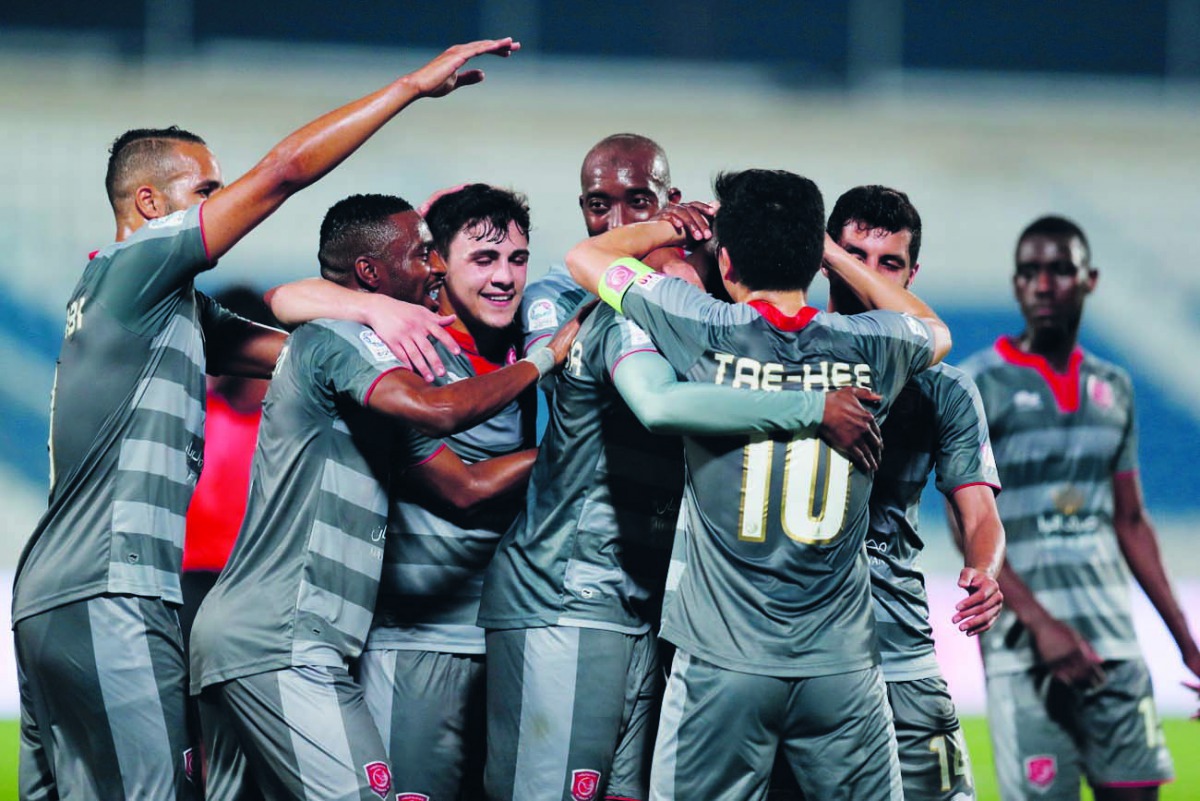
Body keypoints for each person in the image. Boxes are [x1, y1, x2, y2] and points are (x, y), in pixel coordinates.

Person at [15, 35, 521, 801]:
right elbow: (284, 174)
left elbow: (294, 343)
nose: (222, 203)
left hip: (56, 594)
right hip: (113, 588)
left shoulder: (153, 307)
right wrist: (411, 86)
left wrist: (360, 303)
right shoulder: (141, 263)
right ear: (149, 204)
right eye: (205, 191)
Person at [565, 169, 952, 801]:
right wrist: (821, 248)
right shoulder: (876, 344)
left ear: (725, 258)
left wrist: (676, 221)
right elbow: (934, 329)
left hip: (722, 659)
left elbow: (586, 256)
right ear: (813, 257)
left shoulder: (699, 322)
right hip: (842, 668)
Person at [189, 192, 579, 801]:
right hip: (305, 634)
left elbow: (462, 483)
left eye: (517, 259)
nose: (434, 268)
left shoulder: (397, 352)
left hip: (303, 630)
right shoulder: (362, 345)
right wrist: (543, 367)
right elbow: (439, 422)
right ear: (373, 275)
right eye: (427, 255)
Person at [958, 215, 1199, 801]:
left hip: (1113, 646)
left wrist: (1187, 644)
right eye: (1029, 272)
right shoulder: (976, 386)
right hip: (1024, 653)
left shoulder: (1114, 386)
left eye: (1060, 269)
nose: (1043, 284)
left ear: (1090, 280)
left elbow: (1131, 521)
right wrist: (1042, 625)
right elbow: (971, 529)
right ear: (1016, 285)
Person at [776, 185, 1005, 801]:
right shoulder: (777, 356)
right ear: (822, 257)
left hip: (898, 647)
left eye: (888, 264)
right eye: (851, 254)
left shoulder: (946, 389)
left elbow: (979, 510)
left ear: (913, 273)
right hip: (790, 654)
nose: (865, 274)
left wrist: (984, 568)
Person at [356, 184, 537, 801]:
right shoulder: (411, 353)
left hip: (506, 640)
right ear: (438, 265)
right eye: (483, 260)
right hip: (416, 642)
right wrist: (571, 455)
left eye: (516, 260)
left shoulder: (520, 356)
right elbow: (459, 492)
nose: (504, 278)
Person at [521, 133, 682, 364]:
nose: (617, 224)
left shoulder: (698, 270)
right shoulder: (555, 292)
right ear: (583, 207)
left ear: (671, 202)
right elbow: (541, 372)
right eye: (598, 206)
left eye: (637, 202)